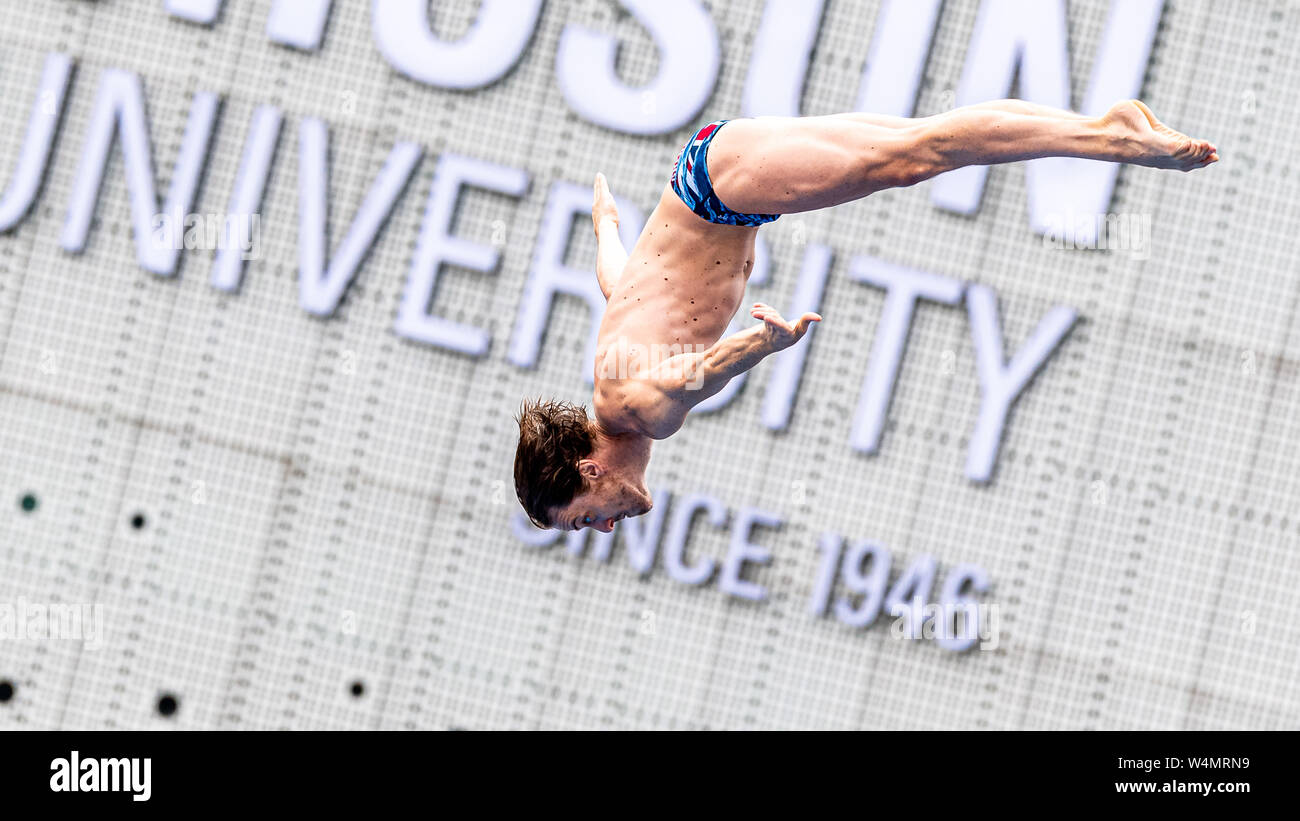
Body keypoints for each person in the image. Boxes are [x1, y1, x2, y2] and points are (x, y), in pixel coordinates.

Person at [514, 99, 1217, 532]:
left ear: (589, 470)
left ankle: (1113, 138)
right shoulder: (611, 378)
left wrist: (762, 345)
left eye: (583, 520)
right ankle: (1102, 130)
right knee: (919, 143)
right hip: (709, 173)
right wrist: (606, 225)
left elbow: (697, 373)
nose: (603, 529)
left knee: (916, 156)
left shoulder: (640, 410)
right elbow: (623, 284)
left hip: (723, 190)